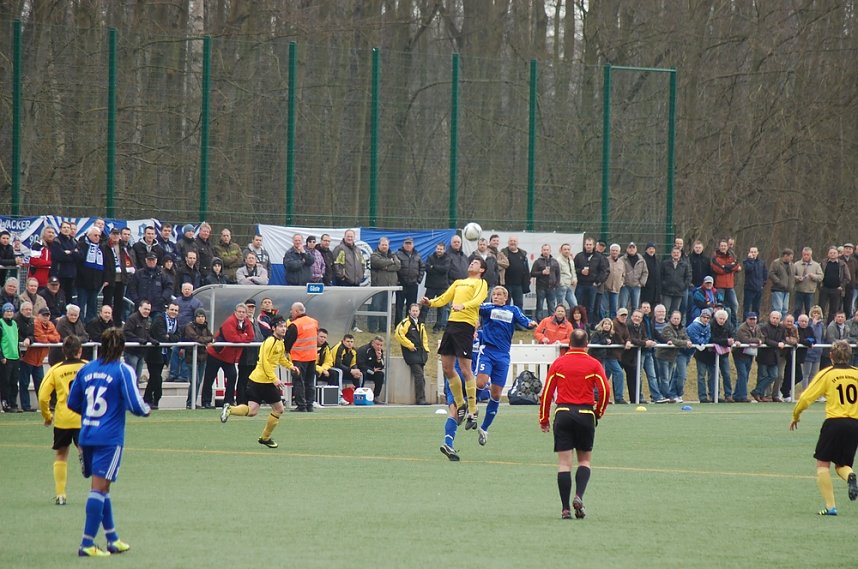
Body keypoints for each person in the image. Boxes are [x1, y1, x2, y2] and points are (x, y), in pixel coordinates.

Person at [66, 328, 150, 557]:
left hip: (86, 435)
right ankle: (87, 544)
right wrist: (147, 410)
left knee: (102, 487)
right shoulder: (123, 370)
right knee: (99, 489)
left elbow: (72, 402)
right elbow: (135, 404)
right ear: (122, 347)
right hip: (109, 438)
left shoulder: (86, 369)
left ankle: (112, 539)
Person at [539, 328, 610, 520]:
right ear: (587, 344)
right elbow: (605, 390)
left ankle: (565, 509)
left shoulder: (559, 363)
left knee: (564, 464)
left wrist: (544, 419)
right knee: (585, 461)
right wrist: (598, 413)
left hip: (563, 414)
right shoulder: (593, 364)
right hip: (586, 414)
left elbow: (546, 394)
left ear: (569, 343)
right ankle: (579, 496)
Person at [789, 339, 858, 516]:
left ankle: (831, 507)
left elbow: (805, 398)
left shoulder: (827, 373)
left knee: (823, 463)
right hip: (854, 425)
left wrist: (796, 415)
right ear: (850, 356)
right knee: (842, 464)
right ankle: (850, 475)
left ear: (831, 356)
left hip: (834, 422)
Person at [421, 258, 488, 425]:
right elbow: (444, 298)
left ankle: (473, 409)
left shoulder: (481, 283)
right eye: (471, 262)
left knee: (466, 370)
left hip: (465, 325)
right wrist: (430, 302)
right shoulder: (459, 282)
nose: (472, 264)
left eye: (476, 263)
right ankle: (461, 404)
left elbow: (478, 300)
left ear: (482, 270)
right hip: (451, 325)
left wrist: (463, 306)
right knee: (447, 368)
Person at [221, 316, 298, 448]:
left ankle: (230, 409)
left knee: (252, 411)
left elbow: (280, 359)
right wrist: (274, 379)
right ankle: (265, 438)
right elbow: (264, 362)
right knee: (279, 409)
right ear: (273, 328)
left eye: (285, 326)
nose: (283, 329)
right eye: (280, 326)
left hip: (257, 380)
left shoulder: (280, 342)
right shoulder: (269, 342)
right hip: (263, 382)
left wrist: (291, 366)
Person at [474, 286, 537, 445]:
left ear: (505, 297)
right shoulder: (488, 309)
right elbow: (475, 307)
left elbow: (524, 320)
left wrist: (530, 323)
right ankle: (470, 410)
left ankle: (484, 428)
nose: (495, 297)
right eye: (493, 294)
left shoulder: (512, 310)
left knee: (496, 395)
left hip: (503, 356)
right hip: (487, 351)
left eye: (499, 295)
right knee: (480, 382)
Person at [38, 335, 86, 505]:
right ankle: (85, 455)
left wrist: (47, 416)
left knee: (61, 454)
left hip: (63, 418)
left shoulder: (55, 369)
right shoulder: (88, 367)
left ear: (63, 352)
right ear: (80, 350)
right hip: (83, 417)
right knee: (84, 446)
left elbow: (43, 396)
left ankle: (60, 495)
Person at [200, 303, 254, 408]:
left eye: (243, 312)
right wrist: (244, 336)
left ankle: (228, 401)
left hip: (229, 357)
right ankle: (206, 402)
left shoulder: (247, 323)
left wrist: (242, 337)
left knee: (232, 376)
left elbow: (251, 336)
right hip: (216, 354)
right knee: (209, 378)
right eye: (239, 312)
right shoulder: (229, 322)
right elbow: (232, 338)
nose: (241, 314)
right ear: (235, 312)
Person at [283, 302, 319, 412]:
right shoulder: (314, 322)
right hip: (312, 357)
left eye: (292, 310)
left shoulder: (295, 325)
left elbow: (287, 342)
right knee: (310, 382)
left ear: (297, 311)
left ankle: (301, 405)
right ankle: (310, 405)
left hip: (299, 358)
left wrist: (285, 352)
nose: (291, 312)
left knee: (299, 382)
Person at [394, 303, 430, 405]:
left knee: (421, 376)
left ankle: (422, 398)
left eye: (416, 311)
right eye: (413, 311)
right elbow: (398, 334)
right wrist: (409, 345)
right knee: (419, 376)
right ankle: (420, 399)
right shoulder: (406, 322)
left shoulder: (420, 324)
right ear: (409, 311)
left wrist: (426, 350)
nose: (415, 312)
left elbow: (424, 338)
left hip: (421, 354)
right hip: (411, 354)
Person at [184, 308, 213, 408]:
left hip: (202, 358)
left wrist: (206, 340)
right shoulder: (189, 326)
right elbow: (196, 338)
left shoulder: (205, 327)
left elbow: (212, 337)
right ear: (195, 317)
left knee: (199, 381)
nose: (201, 319)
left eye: (202, 316)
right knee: (194, 381)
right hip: (191, 357)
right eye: (199, 316)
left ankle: (193, 402)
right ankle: (190, 403)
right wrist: (206, 340)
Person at [357, 336, 386, 403]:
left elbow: (381, 367)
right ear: (373, 343)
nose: (379, 347)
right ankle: (360, 395)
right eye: (377, 344)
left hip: (372, 372)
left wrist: (378, 358)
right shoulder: (364, 350)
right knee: (363, 374)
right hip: (363, 370)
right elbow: (360, 364)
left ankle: (376, 396)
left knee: (380, 374)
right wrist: (372, 370)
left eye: (381, 345)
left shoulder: (380, 351)